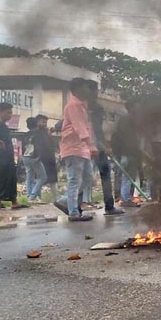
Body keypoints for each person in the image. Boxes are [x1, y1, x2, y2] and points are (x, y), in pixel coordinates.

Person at [59, 78, 96, 221]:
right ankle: (73, 212)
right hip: (73, 148)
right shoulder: (73, 105)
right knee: (74, 180)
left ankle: (65, 200)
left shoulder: (82, 105)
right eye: (86, 87)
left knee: (87, 179)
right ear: (78, 89)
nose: (88, 90)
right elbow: (79, 126)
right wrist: (91, 144)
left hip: (82, 148)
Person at [86, 80, 125, 215]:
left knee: (83, 175)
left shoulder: (80, 105)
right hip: (93, 146)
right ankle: (109, 206)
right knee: (104, 173)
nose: (97, 93)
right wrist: (103, 145)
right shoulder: (94, 107)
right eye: (96, 90)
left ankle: (74, 204)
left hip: (83, 145)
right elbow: (97, 129)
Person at [0, 102, 27, 210]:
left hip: (8, 155)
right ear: (1, 112)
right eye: (8, 113)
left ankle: (14, 201)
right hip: (0, 156)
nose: (10, 115)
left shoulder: (4, 125)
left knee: (11, 177)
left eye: (11, 113)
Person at [22, 116, 47, 203]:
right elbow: (40, 146)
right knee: (43, 177)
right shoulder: (39, 133)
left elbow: (23, 146)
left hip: (26, 156)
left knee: (30, 176)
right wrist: (39, 156)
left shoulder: (26, 134)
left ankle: (31, 196)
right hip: (34, 157)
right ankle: (33, 195)